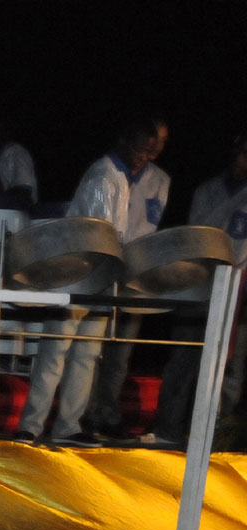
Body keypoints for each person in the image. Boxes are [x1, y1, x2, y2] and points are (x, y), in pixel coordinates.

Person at [14, 118, 160, 447]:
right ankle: (31, 426)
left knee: (86, 355)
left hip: (100, 278)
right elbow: (100, 234)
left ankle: (68, 426)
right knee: (56, 352)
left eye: (151, 152)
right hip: (79, 274)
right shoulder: (104, 174)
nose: (144, 157)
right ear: (124, 141)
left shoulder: (123, 178)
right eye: (140, 148)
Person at [147, 133, 247, 444]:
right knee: (183, 357)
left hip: (238, 286)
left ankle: (218, 438)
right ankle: (168, 430)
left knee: (229, 365)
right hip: (199, 280)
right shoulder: (208, 189)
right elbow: (193, 233)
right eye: (241, 152)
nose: (242, 159)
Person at [84, 117, 170, 438]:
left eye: (158, 144)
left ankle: (107, 411)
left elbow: (149, 226)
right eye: (148, 143)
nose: (152, 150)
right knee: (93, 346)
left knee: (121, 352)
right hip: (105, 266)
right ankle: (87, 411)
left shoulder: (160, 180)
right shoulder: (108, 174)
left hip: (134, 272)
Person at [0, 116, 39, 208]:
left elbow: (25, 190)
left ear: (4, 132)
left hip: (21, 215)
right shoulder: (2, 155)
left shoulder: (15, 151)